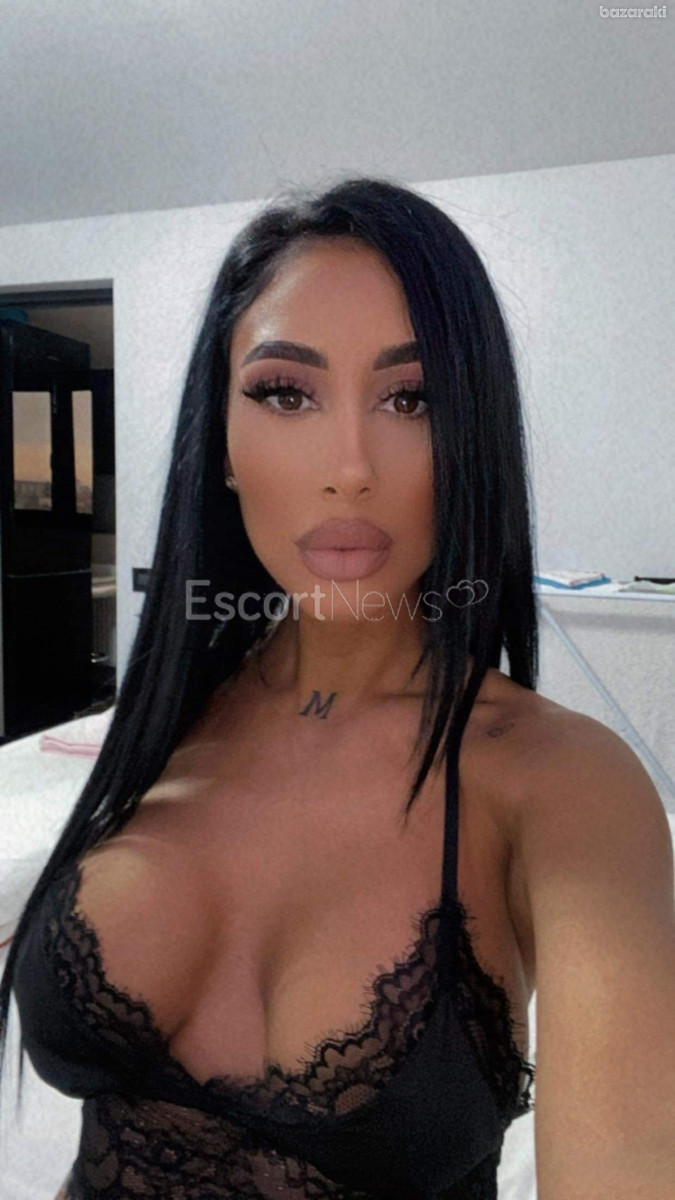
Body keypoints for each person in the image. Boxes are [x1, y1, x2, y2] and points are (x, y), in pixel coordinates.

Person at [4, 175, 545, 1198]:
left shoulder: (562, 782)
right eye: (287, 393)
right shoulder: (169, 719)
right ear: (222, 444)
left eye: (412, 398)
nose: (349, 468)